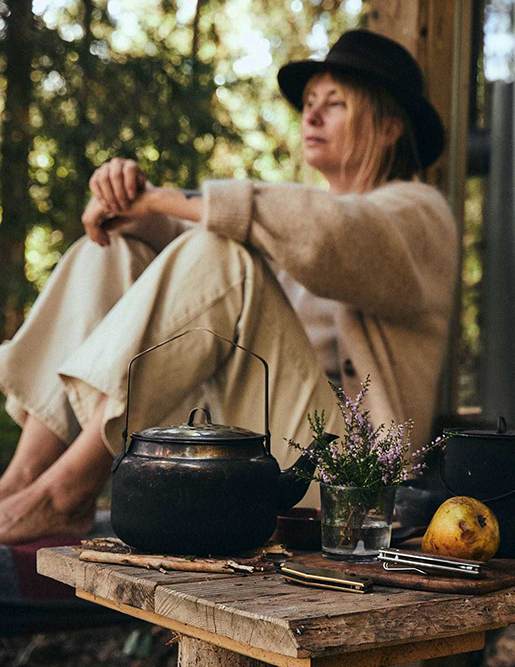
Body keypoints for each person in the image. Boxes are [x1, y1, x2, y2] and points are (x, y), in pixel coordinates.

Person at [0, 30, 459, 544]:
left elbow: (329, 233)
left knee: (223, 254)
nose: (311, 117)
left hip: (341, 479)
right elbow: (191, 253)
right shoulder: (291, 220)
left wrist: (165, 198)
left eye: (334, 105)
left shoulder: (420, 214)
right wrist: (128, 204)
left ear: (390, 127)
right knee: (109, 249)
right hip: (249, 444)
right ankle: (21, 477)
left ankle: (66, 493)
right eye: (309, 104)